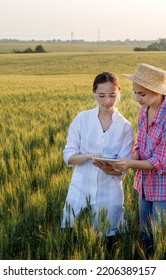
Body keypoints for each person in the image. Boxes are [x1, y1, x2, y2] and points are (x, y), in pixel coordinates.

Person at [110, 63, 166, 258]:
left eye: (142, 94)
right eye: (135, 93)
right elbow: (140, 143)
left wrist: (129, 164)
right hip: (147, 183)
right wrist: (133, 156)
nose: (137, 99)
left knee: (163, 238)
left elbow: (160, 162)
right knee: (146, 233)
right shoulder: (144, 111)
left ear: (157, 92)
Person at [61, 72, 134, 239]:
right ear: (94, 93)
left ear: (119, 93)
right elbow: (68, 156)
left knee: (107, 242)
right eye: (101, 95)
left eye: (112, 95)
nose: (107, 101)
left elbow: (123, 168)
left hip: (109, 192)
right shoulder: (82, 119)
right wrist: (89, 156)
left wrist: (111, 170)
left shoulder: (125, 127)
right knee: (72, 239)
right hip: (80, 190)